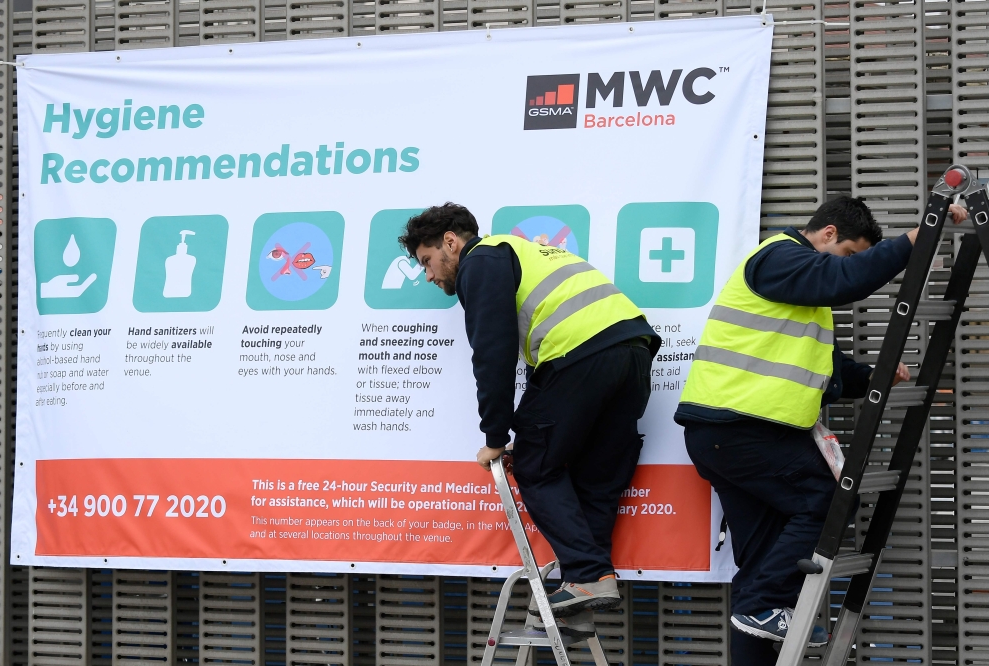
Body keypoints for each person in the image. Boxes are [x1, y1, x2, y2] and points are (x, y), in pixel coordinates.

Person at [673, 196, 969, 665]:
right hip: (743, 432)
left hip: (729, 435)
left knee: (762, 566)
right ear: (827, 233)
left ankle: (759, 611)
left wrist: (873, 376)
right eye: (850, 251)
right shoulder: (779, 257)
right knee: (830, 500)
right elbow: (842, 279)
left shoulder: (794, 285)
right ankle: (761, 604)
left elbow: (821, 369)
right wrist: (919, 236)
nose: (851, 263)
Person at [398, 203, 660, 619]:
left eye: (427, 261)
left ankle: (588, 574)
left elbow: (493, 352)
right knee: (594, 478)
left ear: (450, 241)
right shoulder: (522, 251)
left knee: (535, 464)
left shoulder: (480, 260)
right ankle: (584, 589)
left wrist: (496, 439)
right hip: (634, 354)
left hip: (579, 355)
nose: (429, 275)